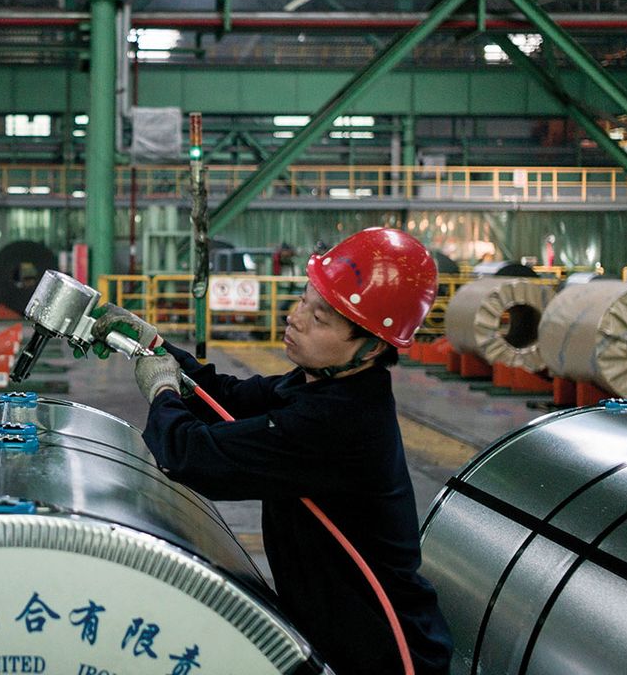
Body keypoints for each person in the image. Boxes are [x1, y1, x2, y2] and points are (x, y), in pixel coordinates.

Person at [97, 227, 452, 675]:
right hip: (330, 628)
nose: (296, 318)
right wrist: (152, 346)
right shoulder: (321, 384)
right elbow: (222, 398)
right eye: (305, 300)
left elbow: (189, 454)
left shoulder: (341, 423)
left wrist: (162, 389)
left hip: (379, 651)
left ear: (372, 347)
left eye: (321, 319)